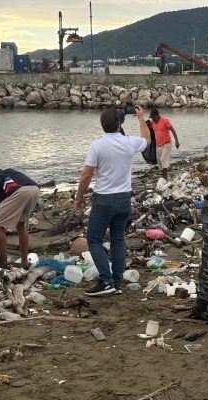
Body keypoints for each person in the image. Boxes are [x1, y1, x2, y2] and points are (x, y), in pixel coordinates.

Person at [75, 105, 151, 296]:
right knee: (118, 239)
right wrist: (141, 118)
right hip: (124, 198)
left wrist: (79, 196)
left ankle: (107, 281)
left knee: (94, 239)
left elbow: (86, 175)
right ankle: (116, 283)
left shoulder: (97, 145)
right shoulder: (128, 143)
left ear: (103, 125)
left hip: (104, 199)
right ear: (119, 123)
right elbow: (147, 140)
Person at [147, 109, 180, 178]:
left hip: (167, 143)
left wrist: (176, 141)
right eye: (152, 118)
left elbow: (173, 130)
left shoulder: (165, 120)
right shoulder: (152, 122)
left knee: (163, 159)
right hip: (158, 145)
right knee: (159, 162)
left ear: (157, 116)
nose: (153, 119)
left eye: (154, 117)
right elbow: (146, 128)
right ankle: (164, 177)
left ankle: (165, 177)